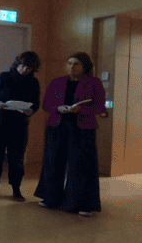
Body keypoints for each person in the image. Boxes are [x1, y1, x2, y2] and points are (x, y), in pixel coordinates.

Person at [34, 52, 106, 217]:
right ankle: (50, 198)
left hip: (82, 128)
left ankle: (81, 203)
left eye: (76, 64)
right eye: (69, 63)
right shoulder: (57, 82)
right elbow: (47, 104)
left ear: (85, 66)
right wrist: (58, 108)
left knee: (80, 165)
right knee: (53, 162)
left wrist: (81, 109)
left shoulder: (94, 83)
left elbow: (100, 107)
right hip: (57, 126)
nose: (72, 67)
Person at [0, 51, 41, 201]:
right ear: (17, 63)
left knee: (17, 158)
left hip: (19, 124)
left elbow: (36, 103)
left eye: (29, 68)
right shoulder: (3, 77)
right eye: (22, 66)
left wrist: (31, 110)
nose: (24, 70)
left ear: (33, 69)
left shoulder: (33, 83)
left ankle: (16, 190)